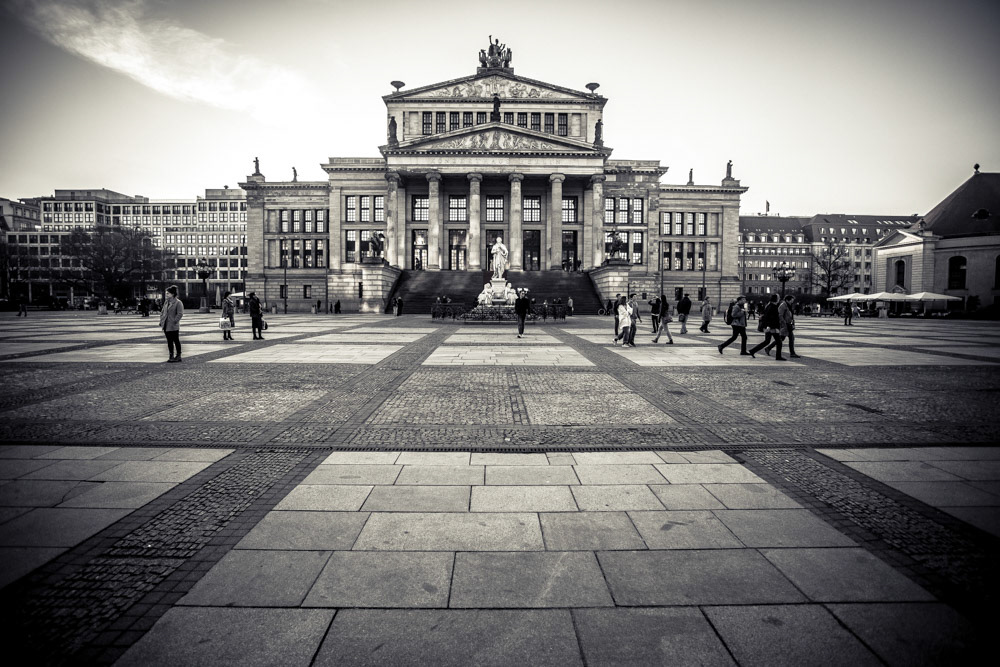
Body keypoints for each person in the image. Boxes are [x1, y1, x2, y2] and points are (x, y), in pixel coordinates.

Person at [749, 294, 784, 360]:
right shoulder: (773, 307)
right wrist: (771, 327)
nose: (779, 299)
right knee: (779, 342)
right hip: (772, 327)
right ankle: (778, 356)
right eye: (778, 297)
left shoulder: (769, 305)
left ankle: (752, 351)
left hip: (769, 326)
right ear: (776, 299)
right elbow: (770, 318)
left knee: (767, 341)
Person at [159, 285, 184, 362]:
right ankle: (171, 355)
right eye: (166, 293)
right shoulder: (166, 302)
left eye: (168, 293)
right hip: (166, 324)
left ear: (172, 294)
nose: (166, 295)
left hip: (173, 325)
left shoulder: (178, 302)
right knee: (169, 341)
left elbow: (180, 313)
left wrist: (175, 321)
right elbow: (163, 312)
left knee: (176, 340)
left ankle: (178, 355)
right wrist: (161, 320)